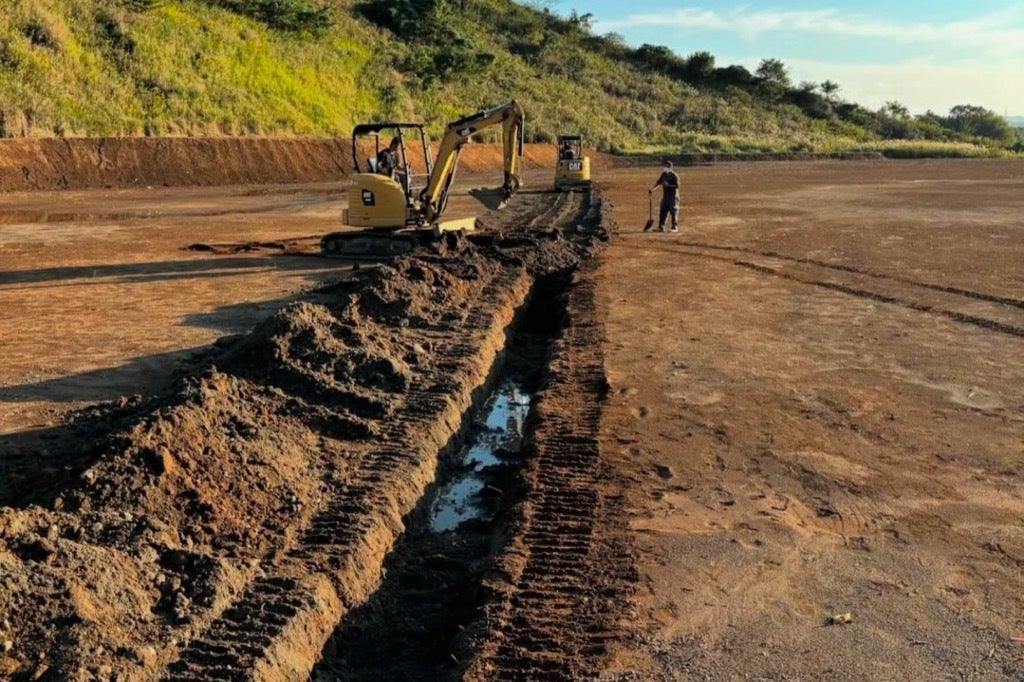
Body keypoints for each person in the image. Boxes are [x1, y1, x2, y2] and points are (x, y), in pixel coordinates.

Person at [649, 160, 680, 232]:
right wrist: (652, 189)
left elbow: (677, 186)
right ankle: (661, 227)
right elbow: (658, 182)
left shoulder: (674, 176)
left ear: (670, 167)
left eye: (666, 166)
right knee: (663, 210)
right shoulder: (663, 174)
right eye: (664, 166)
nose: (664, 168)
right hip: (665, 196)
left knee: (673, 211)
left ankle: (674, 227)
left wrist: (668, 185)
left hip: (673, 197)